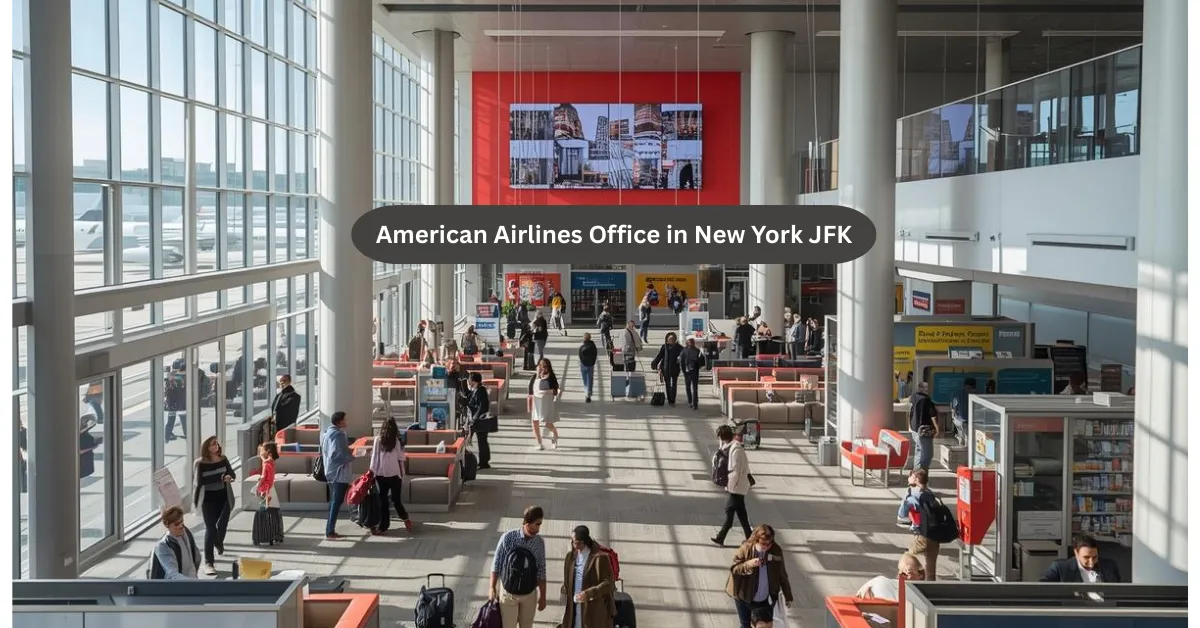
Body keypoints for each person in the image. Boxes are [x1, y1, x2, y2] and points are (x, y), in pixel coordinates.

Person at [490, 505, 548, 628]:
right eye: (536, 525)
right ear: (527, 523)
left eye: (540, 524)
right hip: (509, 593)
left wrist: (543, 596)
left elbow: (541, 569)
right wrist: (492, 588)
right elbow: (497, 563)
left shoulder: (539, 543)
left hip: (529, 594)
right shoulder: (508, 538)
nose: (538, 529)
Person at [725, 524, 793, 628]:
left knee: (764, 625)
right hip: (744, 597)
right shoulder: (745, 549)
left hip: (763, 599)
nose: (766, 547)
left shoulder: (776, 551)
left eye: (769, 544)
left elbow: (782, 574)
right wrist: (749, 564)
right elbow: (734, 569)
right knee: (745, 625)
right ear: (755, 540)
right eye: (763, 544)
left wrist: (788, 595)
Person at [558, 524, 617, 628]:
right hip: (574, 607)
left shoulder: (600, 558)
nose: (572, 544)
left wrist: (588, 594)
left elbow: (608, 583)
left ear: (582, 542)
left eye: (574, 542)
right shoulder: (570, 557)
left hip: (593, 611)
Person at [192, 436, 235, 575]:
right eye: (211, 444)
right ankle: (208, 562)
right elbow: (200, 482)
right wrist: (195, 502)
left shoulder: (223, 458)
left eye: (216, 443)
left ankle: (219, 543)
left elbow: (232, 473)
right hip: (208, 499)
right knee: (210, 529)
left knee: (222, 525)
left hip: (224, 497)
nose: (215, 446)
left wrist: (229, 477)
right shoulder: (200, 463)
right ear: (206, 447)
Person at [896, 469, 942, 581]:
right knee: (930, 568)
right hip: (935, 535)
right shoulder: (930, 494)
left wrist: (906, 499)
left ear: (916, 479)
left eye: (911, 476)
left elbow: (901, 515)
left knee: (906, 558)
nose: (909, 478)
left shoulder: (911, 495)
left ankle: (913, 578)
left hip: (922, 535)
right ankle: (929, 588)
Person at [370, 416, 413, 535]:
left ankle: (383, 526)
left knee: (383, 501)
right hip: (395, 474)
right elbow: (400, 458)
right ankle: (405, 519)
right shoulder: (396, 441)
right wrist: (402, 473)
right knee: (396, 500)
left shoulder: (378, 440)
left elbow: (374, 457)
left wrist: (372, 470)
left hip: (380, 474)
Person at [712, 424, 753, 547]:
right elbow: (721, 450)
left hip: (737, 486)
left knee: (729, 510)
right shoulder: (731, 446)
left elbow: (736, 471)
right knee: (741, 514)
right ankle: (749, 538)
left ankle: (721, 537)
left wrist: (730, 486)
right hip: (737, 485)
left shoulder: (736, 450)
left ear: (723, 437)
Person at [321, 411, 354, 540]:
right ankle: (330, 531)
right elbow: (336, 455)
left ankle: (330, 529)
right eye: (345, 419)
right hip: (339, 474)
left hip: (330, 472)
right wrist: (354, 456)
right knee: (337, 501)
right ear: (340, 421)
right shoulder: (339, 434)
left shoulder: (327, 433)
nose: (347, 422)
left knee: (334, 501)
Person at [1039, 535, 1122, 582]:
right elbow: (1042, 587)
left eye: (1095, 557)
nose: (1091, 562)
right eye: (1086, 557)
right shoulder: (1060, 568)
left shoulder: (1110, 566)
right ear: (1076, 553)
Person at [149, 506, 201, 580]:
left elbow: (197, 556)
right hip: (178, 587)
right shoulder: (163, 546)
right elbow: (172, 574)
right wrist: (193, 582)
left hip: (191, 582)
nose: (181, 526)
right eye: (176, 524)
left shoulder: (186, 532)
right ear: (167, 525)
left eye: (182, 521)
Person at [855, 553, 926, 600]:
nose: (905, 576)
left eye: (909, 573)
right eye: (902, 573)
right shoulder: (885, 583)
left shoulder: (918, 592)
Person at [527, 359, 561, 451]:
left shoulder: (551, 377)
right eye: (541, 366)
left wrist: (548, 392)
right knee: (535, 422)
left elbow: (556, 390)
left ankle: (555, 435)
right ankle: (539, 443)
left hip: (546, 403)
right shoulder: (535, 376)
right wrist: (538, 375)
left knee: (548, 423)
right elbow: (531, 390)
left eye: (545, 366)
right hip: (536, 402)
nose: (543, 368)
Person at [256, 441, 284, 544]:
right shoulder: (271, 461)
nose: (261, 452)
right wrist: (262, 458)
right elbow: (266, 462)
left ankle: (266, 534)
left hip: (266, 490)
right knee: (274, 511)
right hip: (272, 488)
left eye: (263, 450)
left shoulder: (266, 463)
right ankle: (276, 534)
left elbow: (263, 477)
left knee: (265, 511)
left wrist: (258, 484)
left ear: (268, 451)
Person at [908, 382, 939, 471]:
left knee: (919, 451)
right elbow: (933, 416)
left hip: (914, 428)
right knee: (928, 454)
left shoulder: (913, 397)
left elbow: (910, 411)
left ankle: (916, 474)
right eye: (926, 388)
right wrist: (937, 429)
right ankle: (921, 474)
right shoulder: (926, 400)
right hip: (924, 430)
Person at [466, 372, 493, 468]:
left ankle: (484, 462)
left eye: (470, 380)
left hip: (481, 420)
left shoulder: (481, 391)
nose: (469, 382)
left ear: (474, 381)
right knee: (482, 441)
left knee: (482, 441)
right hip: (479, 419)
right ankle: (484, 461)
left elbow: (482, 406)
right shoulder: (476, 390)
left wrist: (474, 418)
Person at [650, 332, 684, 407]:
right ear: (667, 340)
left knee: (674, 385)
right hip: (665, 369)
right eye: (669, 339)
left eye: (672, 339)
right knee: (668, 385)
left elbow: (684, 355)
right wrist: (654, 364)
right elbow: (659, 356)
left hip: (675, 369)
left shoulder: (679, 347)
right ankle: (670, 400)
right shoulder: (664, 347)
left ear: (674, 339)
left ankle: (673, 399)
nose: (670, 340)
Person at [679, 337, 706, 410]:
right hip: (693, 371)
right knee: (693, 387)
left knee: (690, 387)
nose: (690, 344)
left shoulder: (685, 351)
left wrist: (683, 369)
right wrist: (697, 365)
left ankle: (692, 402)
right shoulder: (696, 351)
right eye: (690, 342)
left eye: (691, 342)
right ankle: (693, 402)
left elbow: (681, 361)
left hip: (689, 371)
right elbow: (702, 362)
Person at [950, 377, 975, 444]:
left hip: (960, 419)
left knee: (961, 436)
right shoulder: (977, 393)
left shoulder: (957, 393)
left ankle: (961, 444)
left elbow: (953, 408)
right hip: (973, 420)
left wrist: (953, 416)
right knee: (970, 438)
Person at [578, 333, 598, 403]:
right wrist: (593, 362)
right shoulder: (593, 346)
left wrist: (582, 362)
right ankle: (589, 393)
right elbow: (595, 355)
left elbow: (580, 355)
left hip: (583, 365)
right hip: (590, 365)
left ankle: (586, 392)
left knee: (585, 380)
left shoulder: (582, 347)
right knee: (590, 379)